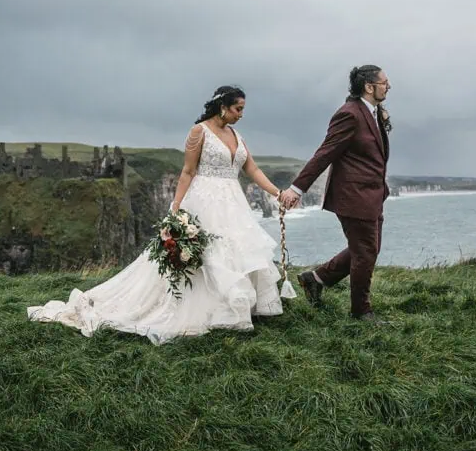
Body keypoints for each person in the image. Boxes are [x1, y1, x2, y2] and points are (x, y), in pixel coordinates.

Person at [28, 85, 286, 344]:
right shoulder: (199, 132)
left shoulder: (236, 135)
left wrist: (277, 193)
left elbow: (251, 169)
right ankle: (209, 311)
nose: (241, 114)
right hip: (204, 200)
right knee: (207, 255)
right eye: (238, 109)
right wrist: (175, 208)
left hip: (233, 203)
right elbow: (187, 172)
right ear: (223, 107)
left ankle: (236, 307)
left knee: (232, 251)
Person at [280, 65, 391, 322]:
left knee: (368, 249)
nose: (388, 86)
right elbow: (325, 153)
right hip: (354, 196)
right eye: (384, 82)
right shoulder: (349, 114)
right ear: (368, 86)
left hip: (374, 195)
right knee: (365, 252)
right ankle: (361, 311)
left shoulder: (372, 112)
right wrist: (297, 189)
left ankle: (316, 279)